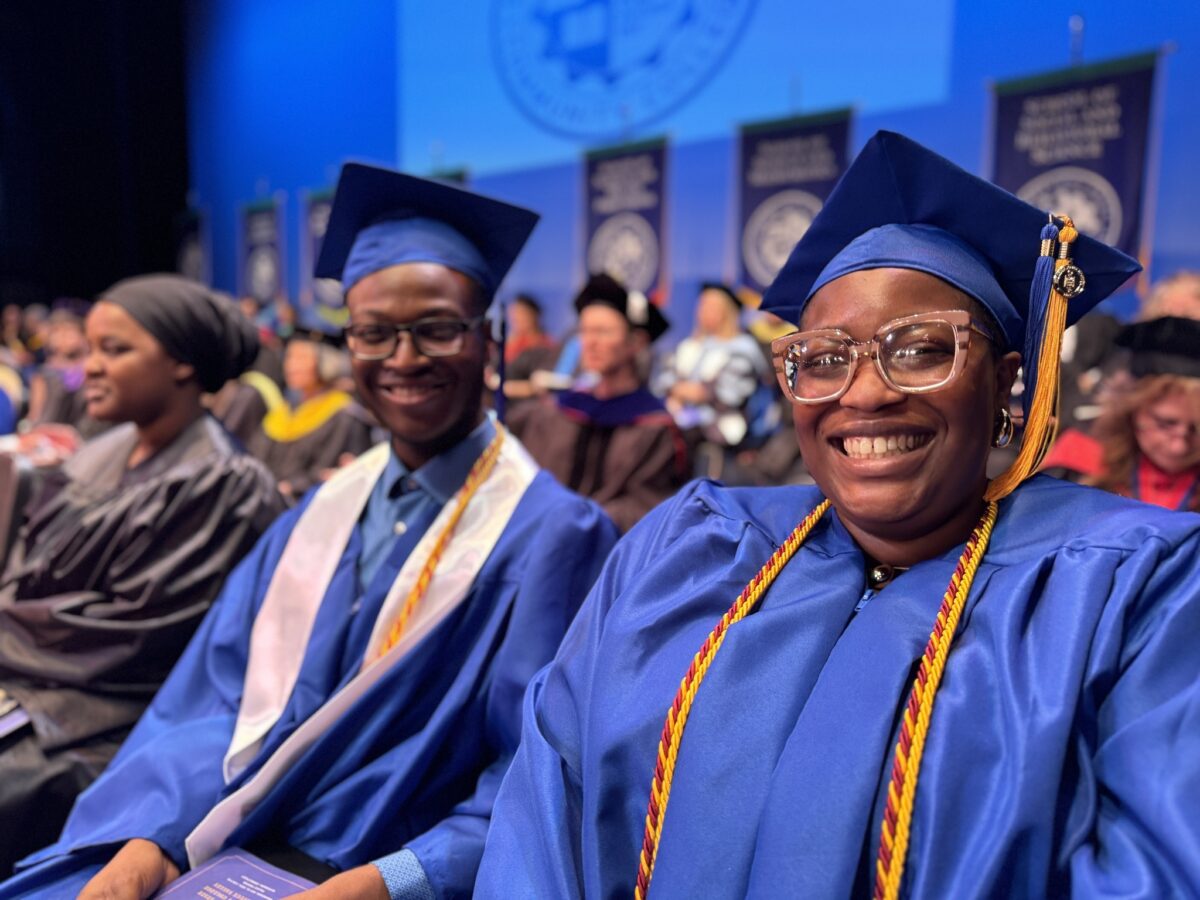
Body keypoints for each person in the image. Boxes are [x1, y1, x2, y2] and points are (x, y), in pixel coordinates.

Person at [475, 132, 1200, 898]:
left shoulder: (1129, 592)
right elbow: (548, 798)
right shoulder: (685, 548)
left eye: (920, 349)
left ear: (1007, 384)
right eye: (822, 359)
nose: (864, 393)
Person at [0, 165, 618, 900]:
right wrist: (149, 841)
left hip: (389, 869)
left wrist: (393, 882)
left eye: (437, 329)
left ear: (488, 339)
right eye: (374, 333)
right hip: (220, 835)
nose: (405, 358)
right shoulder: (315, 517)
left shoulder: (556, 538)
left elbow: (539, 772)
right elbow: (214, 702)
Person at [0, 275, 285, 876]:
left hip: (104, 723)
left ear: (182, 362)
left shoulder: (224, 484)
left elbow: (129, 638)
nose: (90, 367)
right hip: (32, 679)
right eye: (89, 349)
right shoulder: (100, 451)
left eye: (115, 350)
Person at [509, 273, 688, 532]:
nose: (590, 342)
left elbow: (647, 507)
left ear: (635, 342)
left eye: (603, 332)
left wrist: (582, 524)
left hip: (613, 553)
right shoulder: (559, 411)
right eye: (585, 331)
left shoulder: (654, 426)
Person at [1042, 316, 1200, 510]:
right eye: (1165, 423)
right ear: (1131, 408)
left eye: (1197, 429)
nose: (1179, 446)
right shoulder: (1076, 463)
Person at [247, 328, 374, 502]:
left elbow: (332, 475)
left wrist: (292, 487)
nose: (291, 366)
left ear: (325, 362)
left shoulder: (344, 416)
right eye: (289, 357)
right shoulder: (282, 412)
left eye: (301, 358)